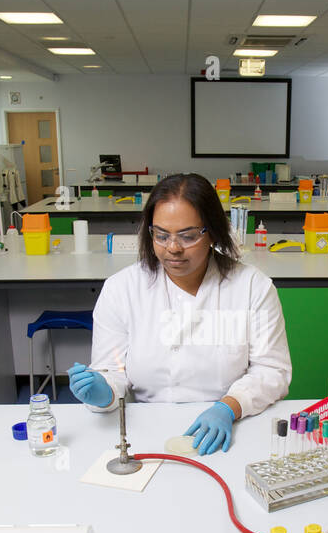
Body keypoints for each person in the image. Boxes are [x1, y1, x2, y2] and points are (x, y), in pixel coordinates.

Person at [66, 173, 291, 455]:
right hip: (145, 427)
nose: (173, 248)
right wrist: (103, 391)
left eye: (188, 236)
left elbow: (272, 371)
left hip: (232, 425)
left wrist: (229, 406)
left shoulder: (251, 286)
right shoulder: (122, 289)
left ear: (213, 232)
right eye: (161, 235)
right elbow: (113, 373)